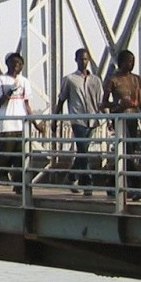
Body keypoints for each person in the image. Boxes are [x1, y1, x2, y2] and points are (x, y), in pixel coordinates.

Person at [55, 47, 105, 193]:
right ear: (75, 60)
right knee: (83, 151)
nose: (83, 62)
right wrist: (55, 119)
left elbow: (100, 101)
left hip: (93, 119)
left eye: (85, 59)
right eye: (81, 59)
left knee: (83, 151)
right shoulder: (69, 79)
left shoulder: (96, 80)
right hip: (78, 120)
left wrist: (109, 118)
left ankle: (71, 177)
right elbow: (61, 99)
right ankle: (87, 183)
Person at [102, 49, 141, 198]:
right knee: (127, 152)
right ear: (121, 62)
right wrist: (117, 103)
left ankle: (111, 183)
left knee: (127, 152)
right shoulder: (113, 80)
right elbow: (103, 104)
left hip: (133, 118)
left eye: (132, 61)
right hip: (119, 118)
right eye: (128, 61)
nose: (131, 64)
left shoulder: (136, 79)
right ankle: (135, 186)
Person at [0, 52, 32, 188]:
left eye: (19, 64)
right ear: (7, 64)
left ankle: (19, 186)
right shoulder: (1, 80)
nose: (16, 66)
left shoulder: (24, 81)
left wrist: (35, 123)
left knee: (20, 157)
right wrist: (9, 92)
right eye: (13, 63)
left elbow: (27, 104)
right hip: (6, 123)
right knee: (5, 154)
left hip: (21, 124)